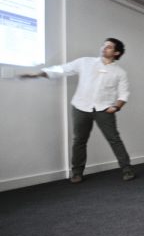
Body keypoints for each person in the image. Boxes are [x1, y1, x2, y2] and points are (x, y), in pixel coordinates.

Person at [20, 38, 134, 183]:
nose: (104, 48)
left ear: (116, 52)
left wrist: (117, 106)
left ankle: (127, 169)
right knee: (79, 140)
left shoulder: (120, 72)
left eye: (109, 47)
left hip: (104, 109)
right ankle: (77, 173)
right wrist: (39, 74)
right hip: (81, 107)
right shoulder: (85, 62)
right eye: (104, 45)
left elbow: (124, 93)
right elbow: (62, 69)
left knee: (114, 139)